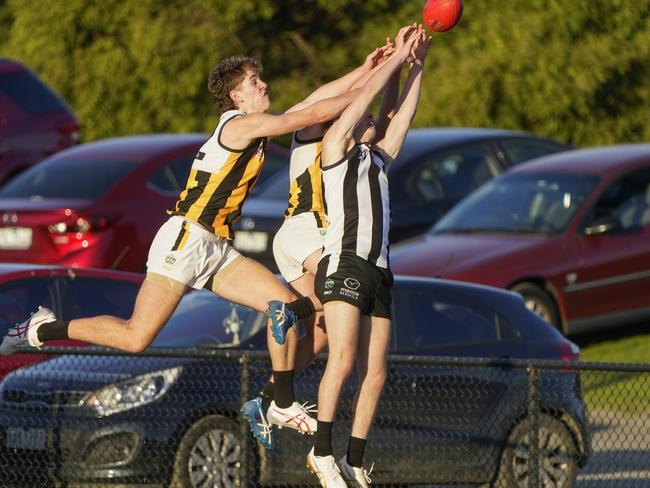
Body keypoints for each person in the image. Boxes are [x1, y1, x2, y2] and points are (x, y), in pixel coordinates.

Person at [0, 55, 360, 449]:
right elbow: (310, 112)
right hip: (186, 240)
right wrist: (371, 87)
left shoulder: (254, 125)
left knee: (286, 305)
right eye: (255, 81)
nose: (263, 86)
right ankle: (40, 329)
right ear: (237, 95)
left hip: (216, 246)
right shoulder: (242, 125)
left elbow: (313, 101)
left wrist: (373, 66)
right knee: (136, 337)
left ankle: (276, 402)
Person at [242, 41, 399, 449]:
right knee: (342, 295)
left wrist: (372, 67)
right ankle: (290, 310)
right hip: (306, 229)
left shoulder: (346, 145)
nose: (359, 115)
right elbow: (319, 101)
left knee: (325, 335)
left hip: (302, 238)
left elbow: (385, 117)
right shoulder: (311, 129)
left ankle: (265, 399)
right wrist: (370, 75)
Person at [306, 25, 430, 488]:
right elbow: (366, 100)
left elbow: (401, 115)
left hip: (380, 270)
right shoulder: (335, 148)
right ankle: (322, 453)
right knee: (341, 361)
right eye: (364, 116)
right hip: (346, 265)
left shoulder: (377, 156)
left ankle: (355, 460)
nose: (374, 117)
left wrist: (417, 62)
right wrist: (391, 60)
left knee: (374, 375)